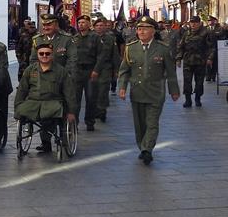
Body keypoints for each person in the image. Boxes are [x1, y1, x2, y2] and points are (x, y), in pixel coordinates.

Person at [118, 15, 180, 165]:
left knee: (152, 123)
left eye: (145, 29)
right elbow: (124, 70)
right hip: (137, 91)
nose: (141, 31)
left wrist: (174, 90)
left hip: (156, 92)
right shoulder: (130, 48)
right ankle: (142, 146)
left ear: (153, 31)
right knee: (140, 124)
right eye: (139, 29)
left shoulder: (163, 49)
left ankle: (147, 149)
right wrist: (122, 87)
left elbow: (171, 71)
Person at [14, 41, 77, 154]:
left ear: (52, 55)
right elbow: (22, 89)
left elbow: (69, 92)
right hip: (33, 102)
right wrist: (17, 107)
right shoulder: (30, 70)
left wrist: (71, 111)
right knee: (23, 112)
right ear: (37, 55)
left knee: (49, 118)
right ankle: (45, 143)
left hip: (53, 102)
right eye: (41, 53)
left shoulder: (60, 71)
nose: (44, 56)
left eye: (47, 54)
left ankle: (47, 141)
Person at [73, 15, 105, 131]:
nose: (81, 24)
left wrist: (96, 70)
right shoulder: (74, 38)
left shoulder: (95, 37)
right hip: (77, 71)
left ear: (88, 24)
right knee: (75, 99)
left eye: (83, 22)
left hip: (90, 71)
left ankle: (90, 121)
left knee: (91, 98)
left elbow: (101, 56)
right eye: (79, 22)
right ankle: (74, 123)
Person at [176, 15, 214, 107]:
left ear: (199, 23)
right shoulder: (186, 33)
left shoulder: (205, 33)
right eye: (191, 22)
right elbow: (180, 47)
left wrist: (210, 58)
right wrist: (178, 59)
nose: (193, 24)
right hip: (188, 61)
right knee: (187, 81)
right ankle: (188, 100)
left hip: (200, 61)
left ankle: (198, 98)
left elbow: (211, 47)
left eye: (195, 23)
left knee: (199, 82)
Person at [92, 17, 117, 127]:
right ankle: (95, 109)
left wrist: (116, 70)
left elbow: (115, 55)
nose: (99, 27)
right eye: (97, 26)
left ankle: (102, 110)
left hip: (106, 67)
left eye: (101, 25)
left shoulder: (110, 39)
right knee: (93, 89)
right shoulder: (90, 38)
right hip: (92, 67)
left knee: (103, 88)